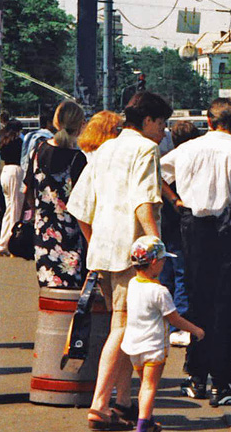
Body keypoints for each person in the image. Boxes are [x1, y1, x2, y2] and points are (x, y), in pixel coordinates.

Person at [69, 91, 171, 431]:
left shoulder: (104, 148)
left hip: (103, 252)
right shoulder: (145, 149)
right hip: (134, 254)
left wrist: (96, 242)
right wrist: (155, 246)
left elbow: (80, 206)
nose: (163, 130)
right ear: (147, 121)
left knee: (125, 327)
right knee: (124, 328)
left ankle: (124, 404)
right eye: (161, 123)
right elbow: (144, 202)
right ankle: (100, 405)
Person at [162, 98, 231, 406]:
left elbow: (158, 171)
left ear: (208, 121)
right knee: (228, 307)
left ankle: (195, 377)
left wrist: (176, 201)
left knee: (197, 302)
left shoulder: (187, 149)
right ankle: (222, 383)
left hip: (194, 229)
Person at [121, 235, 204, 432]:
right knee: (150, 386)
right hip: (153, 346)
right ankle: (142, 425)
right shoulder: (160, 292)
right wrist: (195, 330)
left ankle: (148, 420)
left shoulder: (132, 284)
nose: (165, 264)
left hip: (134, 345)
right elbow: (174, 319)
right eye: (163, 260)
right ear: (155, 263)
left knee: (143, 384)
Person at [28, 101, 88, 289]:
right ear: (79, 125)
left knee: (47, 288)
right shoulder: (78, 158)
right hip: (70, 233)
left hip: (43, 230)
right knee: (70, 290)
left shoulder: (38, 151)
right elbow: (83, 201)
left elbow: (28, 189)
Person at [160, 120, 198, 343]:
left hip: (165, 220)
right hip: (183, 221)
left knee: (166, 274)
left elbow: (156, 175)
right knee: (183, 272)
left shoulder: (169, 160)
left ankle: (166, 324)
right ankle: (180, 322)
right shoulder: (188, 160)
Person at [0, 120, 25, 256]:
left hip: (5, 172)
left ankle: (3, 242)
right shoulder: (19, 142)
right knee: (15, 209)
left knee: (9, 208)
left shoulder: (4, 141)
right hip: (16, 172)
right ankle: (9, 244)